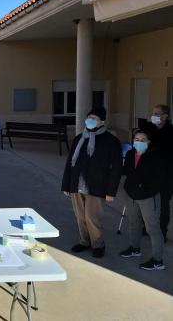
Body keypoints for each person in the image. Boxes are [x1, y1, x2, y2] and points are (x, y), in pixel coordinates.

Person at [62, 107, 122, 258]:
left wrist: (111, 191)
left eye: (94, 118)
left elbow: (116, 168)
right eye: (89, 117)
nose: (90, 120)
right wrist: (66, 184)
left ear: (102, 121)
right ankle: (84, 241)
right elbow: (70, 162)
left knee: (92, 217)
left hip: (97, 186)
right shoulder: (79, 138)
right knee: (80, 216)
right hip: (77, 184)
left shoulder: (111, 141)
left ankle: (98, 244)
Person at [119, 130, 166, 270]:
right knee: (134, 223)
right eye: (137, 139)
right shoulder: (129, 154)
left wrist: (146, 190)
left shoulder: (155, 156)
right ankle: (135, 248)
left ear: (148, 142)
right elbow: (126, 171)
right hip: (131, 195)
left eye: (143, 140)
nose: (139, 142)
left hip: (148, 197)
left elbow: (160, 178)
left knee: (152, 228)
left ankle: (158, 261)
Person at [144, 104, 173, 241]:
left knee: (163, 204)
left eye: (157, 114)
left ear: (165, 116)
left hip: (165, 175)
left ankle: (162, 231)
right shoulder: (148, 128)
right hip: (148, 173)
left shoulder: (171, 131)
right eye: (153, 113)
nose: (154, 116)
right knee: (147, 202)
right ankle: (147, 227)